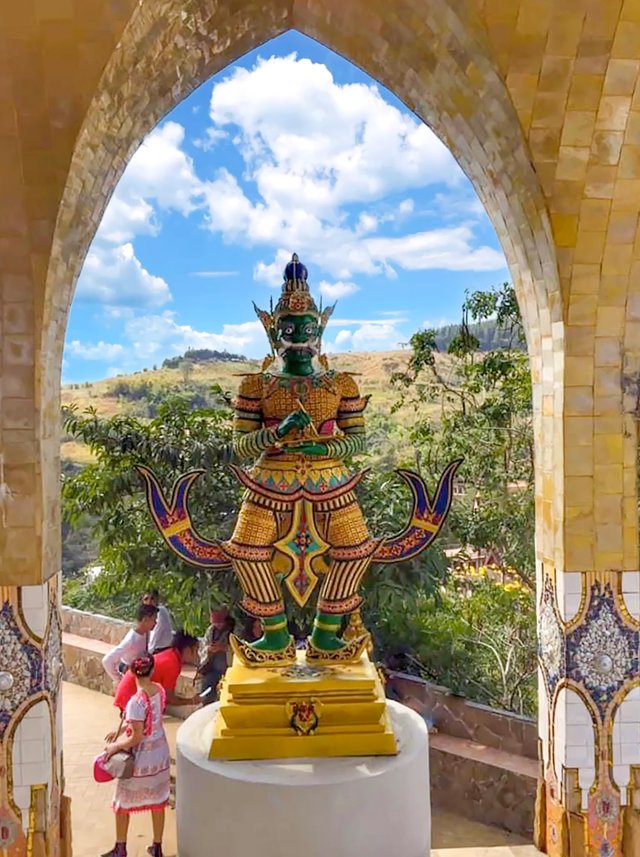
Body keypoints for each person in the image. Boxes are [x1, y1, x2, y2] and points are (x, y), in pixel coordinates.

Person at [101, 654, 170, 857]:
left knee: (122, 803)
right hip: (160, 755)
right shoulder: (159, 691)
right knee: (158, 801)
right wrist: (121, 731)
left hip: (142, 759)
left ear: (132, 673)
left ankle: (120, 848)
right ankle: (157, 847)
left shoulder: (135, 702)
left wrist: (114, 746)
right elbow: (147, 723)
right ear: (152, 670)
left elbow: (136, 737)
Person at [114, 630, 201, 713]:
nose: (197, 655)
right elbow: (169, 698)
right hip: (132, 697)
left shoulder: (172, 656)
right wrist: (191, 701)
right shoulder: (172, 664)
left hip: (129, 695)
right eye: (196, 650)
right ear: (187, 649)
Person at [102, 604, 158, 684]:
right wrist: (120, 680)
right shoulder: (131, 640)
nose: (155, 623)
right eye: (154, 620)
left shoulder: (147, 633)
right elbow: (107, 660)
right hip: (129, 676)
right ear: (145, 619)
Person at [198, 608, 234, 705]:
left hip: (228, 670)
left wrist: (224, 648)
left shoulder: (234, 630)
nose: (217, 625)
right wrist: (209, 649)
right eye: (215, 623)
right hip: (212, 669)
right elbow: (202, 647)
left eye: (220, 622)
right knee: (206, 693)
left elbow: (239, 647)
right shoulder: (211, 631)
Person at [142, 589, 174, 653]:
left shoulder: (160, 612)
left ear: (157, 599)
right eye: (146, 599)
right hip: (155, 648)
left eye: (152, 599)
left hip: (163, 650)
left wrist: (148, 653)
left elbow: (155, 634)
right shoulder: (148, 614)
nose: (149, 602)